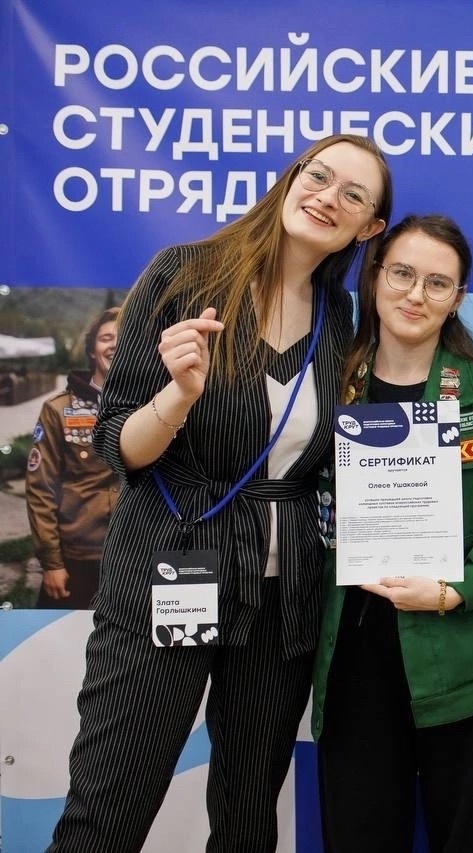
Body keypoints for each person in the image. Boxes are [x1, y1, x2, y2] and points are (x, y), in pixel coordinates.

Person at [48, 134, 391, 853]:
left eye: (353, 195)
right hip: (173, 568)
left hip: (281, 595)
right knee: (108, 814)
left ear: (370, 228)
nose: (327, 197)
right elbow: (118, 444)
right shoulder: (184, 275)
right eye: (318, 176)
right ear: (291, 179)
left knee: (247, 820)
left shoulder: (341, 317)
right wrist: (179, 393)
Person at [311, 214, 473, 852]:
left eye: (437, 283)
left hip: (466, 664)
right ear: (374, 277)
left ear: (457, 297)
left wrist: (451, 590)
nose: (416, 295)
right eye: (402, 274)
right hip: (354, 658)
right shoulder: (329, 385)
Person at [26, 307, 120, 609]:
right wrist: (52, 563)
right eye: (106, 338)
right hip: (79, 556)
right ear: (92, 350)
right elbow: (41, 490)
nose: (114, 344)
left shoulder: (156, 405)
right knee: (61, 636)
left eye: (123, 337)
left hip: (135, 555)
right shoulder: (58, 410)